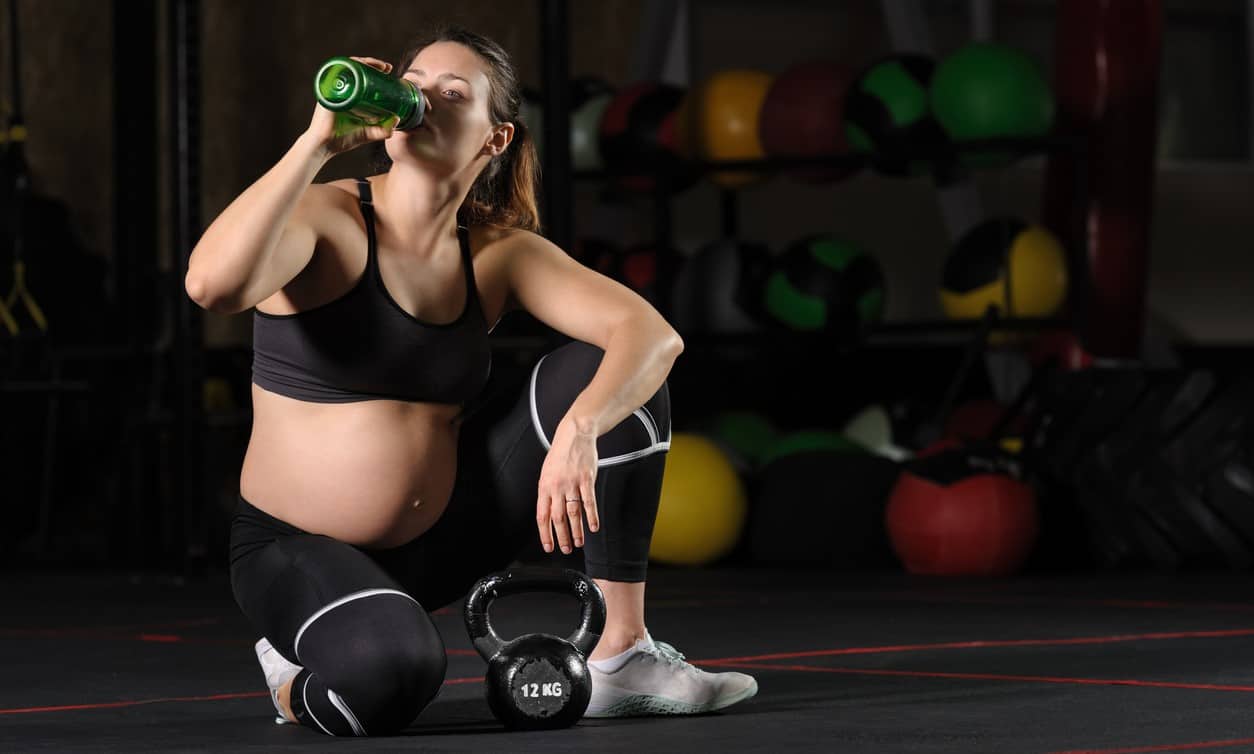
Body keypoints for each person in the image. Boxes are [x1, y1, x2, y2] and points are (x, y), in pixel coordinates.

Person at [185, 26, 757, 737]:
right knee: (394, 677)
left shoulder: (495, 253)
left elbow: (653, 336)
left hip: (442, 543)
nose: (425, 100)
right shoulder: (326, 215)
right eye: (414, 85)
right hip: (294, 551)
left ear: (495, 138)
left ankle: (622, 656)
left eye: (453, 93)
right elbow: (212, 286)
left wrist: (580, 429)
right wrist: (316, 145)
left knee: (612, 381)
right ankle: (296, 669)